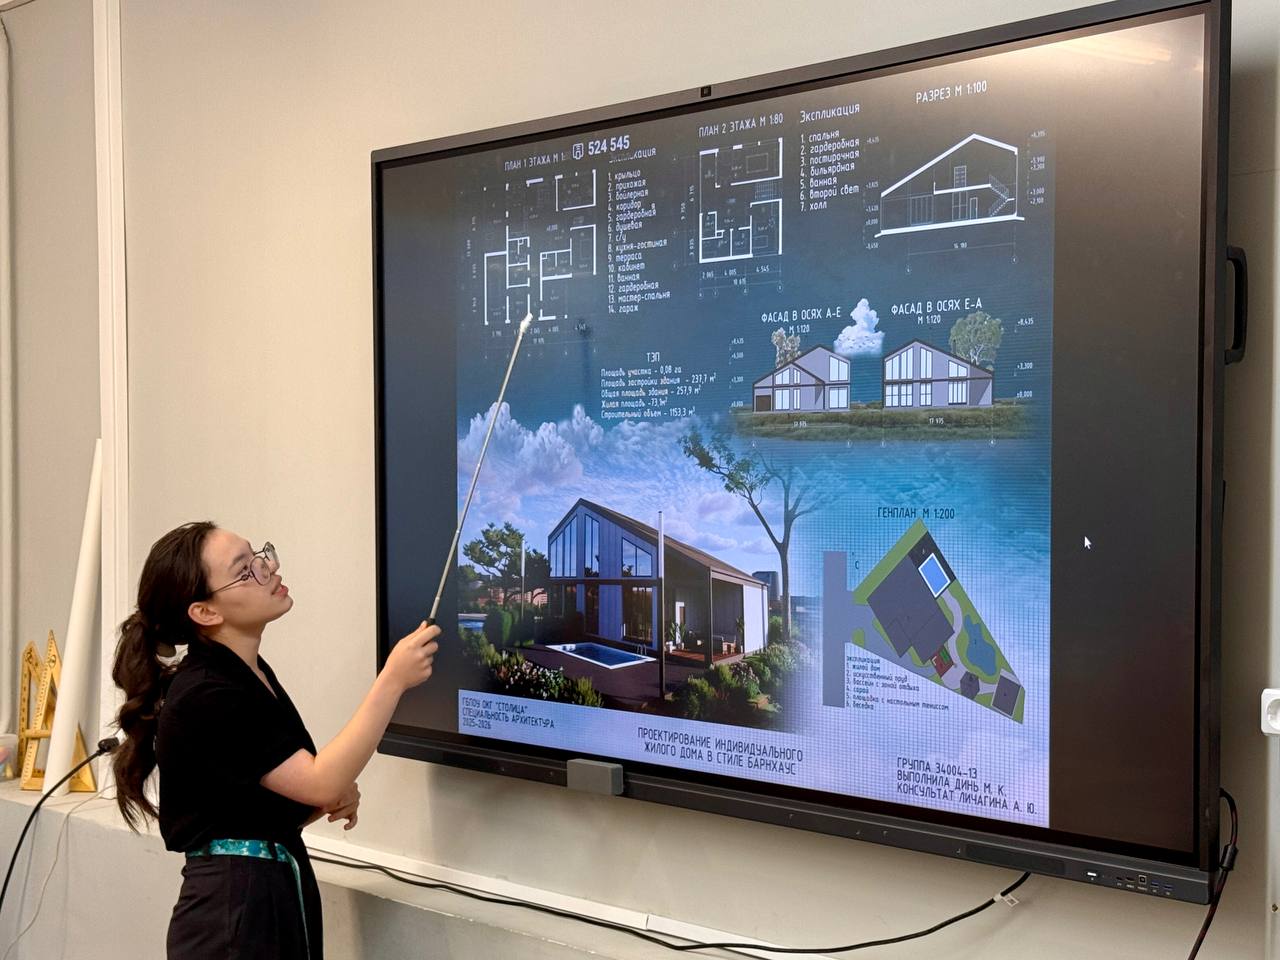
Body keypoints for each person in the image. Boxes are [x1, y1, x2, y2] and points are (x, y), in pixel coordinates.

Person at [110, 520, 440, 959]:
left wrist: (323, 799)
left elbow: (255, 803)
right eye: (245, 569)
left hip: (268, 896)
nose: (269, 568)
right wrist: (392, 680)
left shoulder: (247, 673)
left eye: (259, 555)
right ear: (205, 613)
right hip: (235, 913)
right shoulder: (206, 692)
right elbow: (318, 780)